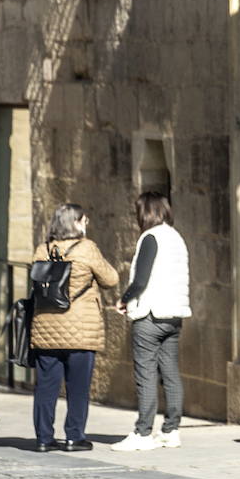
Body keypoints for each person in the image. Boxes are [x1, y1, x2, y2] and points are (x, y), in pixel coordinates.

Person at [30, 203, 118, 452]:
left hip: (46, 329)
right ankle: (74, 436)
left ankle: (44, 439)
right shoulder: (87, 249)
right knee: (77, 388)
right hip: (80, 330)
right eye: (84, 221)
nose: (86, 225)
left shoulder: (41, 250)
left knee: (46, 387)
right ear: (76, 223)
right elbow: (111, 279)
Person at [111, 192, 190, 452]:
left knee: (145, 374)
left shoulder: (151, 237)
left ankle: (143, 433)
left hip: (151, 314)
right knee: (170, 373)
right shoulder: (176, 238)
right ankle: (171, 430)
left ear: (144, 212)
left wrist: (124, 300)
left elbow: (141, 280)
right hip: (174, 315)